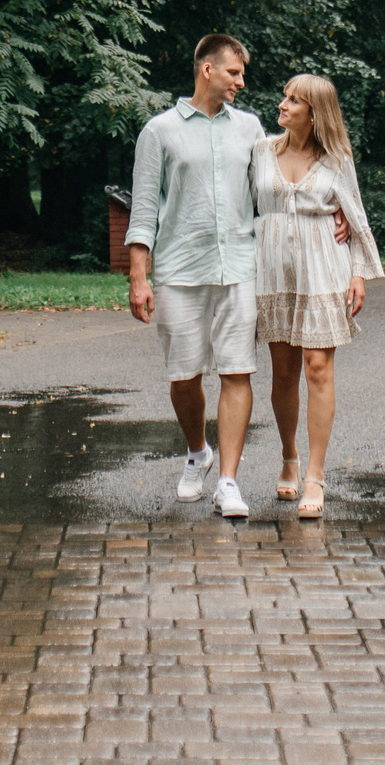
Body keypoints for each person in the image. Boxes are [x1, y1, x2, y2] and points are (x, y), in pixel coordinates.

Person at [125, 33, 264, 518]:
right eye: (234, 72)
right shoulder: (159, 131)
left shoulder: (249, 128)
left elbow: (269, 191)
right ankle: (196, 452)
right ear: (208, 69)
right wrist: (139, 277)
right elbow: (143, 209)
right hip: (180, 270)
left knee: (237, 369)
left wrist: (332, 206)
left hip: (238, 269)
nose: (241, 82)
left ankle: (228, 480)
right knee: (184, 376)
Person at [251, 73, 382, 520]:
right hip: (272, 272)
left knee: (318, 367)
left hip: (324, 267)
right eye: (284, 95)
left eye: (294, 100)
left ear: (314, 112)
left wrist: (359, 272)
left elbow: (356, 214)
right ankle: (288, 453)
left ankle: (314, 474)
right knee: (283, 373)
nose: (283, 104)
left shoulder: (336, 158)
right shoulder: (261, 151)